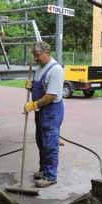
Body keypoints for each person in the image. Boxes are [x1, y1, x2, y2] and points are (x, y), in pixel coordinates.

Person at [24, 41, 64, 188]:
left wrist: (34, 105)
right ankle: (43, 170)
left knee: (50, 144)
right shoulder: (40, 68)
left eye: (38, 55)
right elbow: (39, 88)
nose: (35, 58)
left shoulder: (56, 70)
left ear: (47, 53)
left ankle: (50, 176)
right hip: (41, 112)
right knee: (41, 141)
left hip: (51, 111)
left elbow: (50, 96)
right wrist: (30, 87)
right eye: (34, 56)